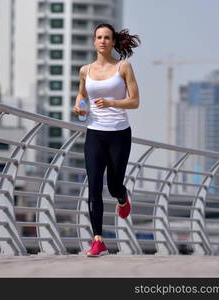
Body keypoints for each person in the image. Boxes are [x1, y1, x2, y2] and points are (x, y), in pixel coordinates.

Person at [73, 23, 140, 257]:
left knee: (113, 185)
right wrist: (79, 106)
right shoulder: (85, 70)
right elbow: (82, 94)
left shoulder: (123, 67)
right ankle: (98, 240)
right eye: (98, 37)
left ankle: (122, 196)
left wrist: (112, 102)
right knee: (93, 187)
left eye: (107, 37)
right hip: (95, 133)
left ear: (113, 42)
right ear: (94, 41)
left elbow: (134, 101)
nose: (102, 41)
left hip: (119, 134)